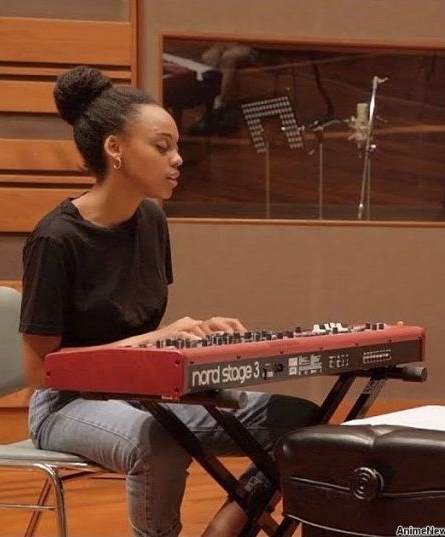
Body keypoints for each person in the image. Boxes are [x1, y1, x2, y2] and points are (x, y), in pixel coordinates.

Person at [21, 65, 319, 537]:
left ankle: (225, 529)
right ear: (115, 148)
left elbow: (140, 332)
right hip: (66, 405)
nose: (178, 158)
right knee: (157, 441)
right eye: (162, 147)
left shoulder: (151, 221)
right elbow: (42, 371)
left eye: (176, 147)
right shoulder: (55, 239)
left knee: (299, 423)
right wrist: (157, 338)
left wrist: (191, 333)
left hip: (145, 394)